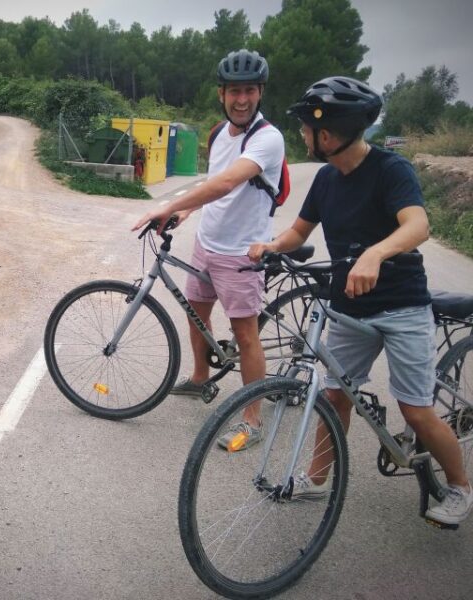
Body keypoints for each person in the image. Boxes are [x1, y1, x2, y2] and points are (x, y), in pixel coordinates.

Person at [249, 76, 472, 525]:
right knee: (335, 398)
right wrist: (271, 247)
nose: (301, 135)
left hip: (402, 307)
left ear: (327, 134)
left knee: (415, 408)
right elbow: (299, 232)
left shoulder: (392, 170)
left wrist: (375, 252)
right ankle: (317, 479)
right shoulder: (328, 179)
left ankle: (460, 487)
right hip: (350, 306)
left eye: (306, 129)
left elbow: (417, 226)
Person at [132, 49, 285, 451]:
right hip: (207, 243)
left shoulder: (268, 138)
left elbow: (228, 182)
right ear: (221, 93)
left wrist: (170, 204)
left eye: (249, 90)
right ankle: (200, 378)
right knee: (194, 311)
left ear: (260, 92)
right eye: (234, 91)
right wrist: (187, 213)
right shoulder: (219, 133)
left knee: (245, 335)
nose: (242, 99)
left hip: (241, 254)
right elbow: (214, 186)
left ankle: (252, 420)